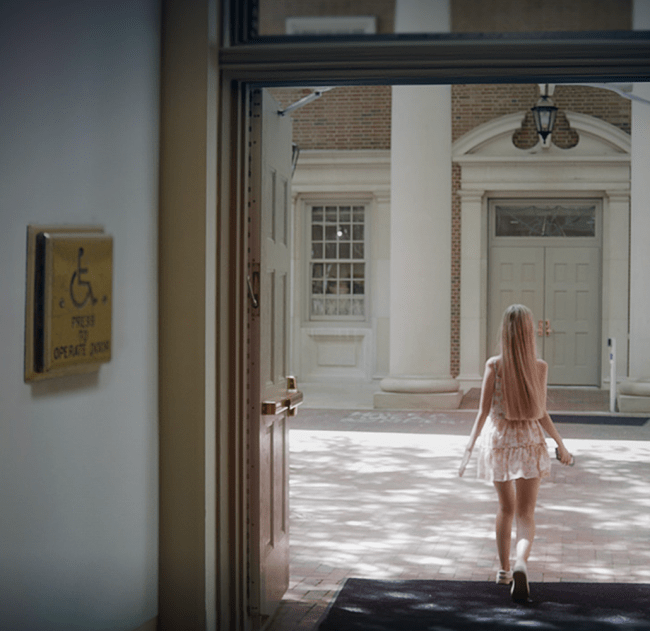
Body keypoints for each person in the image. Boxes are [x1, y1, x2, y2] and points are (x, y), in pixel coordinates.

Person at [458, 304, 573, 602]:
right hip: (530, 440)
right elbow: (541, 412)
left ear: (505, 332)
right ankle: (522, 562)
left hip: (499, 441)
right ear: (529, 332)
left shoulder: (494, 365)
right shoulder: (540, 366)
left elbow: (482, 413)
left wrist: (469, 448)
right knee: (526, 513)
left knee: (505, 509)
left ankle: (505, 570)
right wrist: (561, 443)